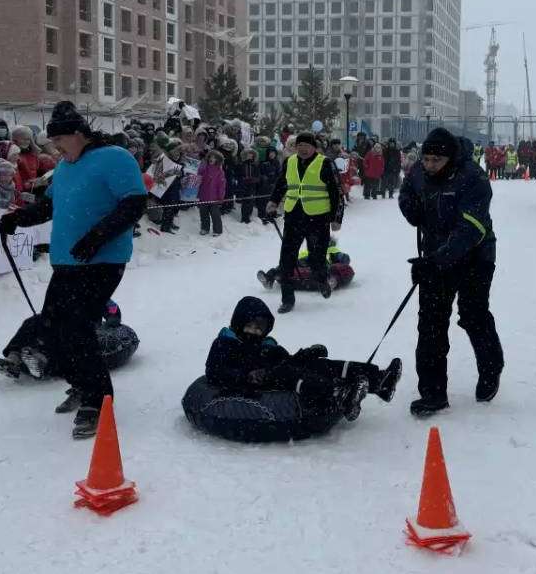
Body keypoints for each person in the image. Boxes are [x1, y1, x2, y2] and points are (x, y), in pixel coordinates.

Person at [0, 101, 147, 439]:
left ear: (78, 134)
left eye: (59, 141)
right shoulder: (65, 168)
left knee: (78, 328)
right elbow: (51, 205)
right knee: (52, 329)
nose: (56, 149)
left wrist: (97, 236)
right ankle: (82, 383)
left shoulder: (114, 157)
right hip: (67, 261)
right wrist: (19, 218)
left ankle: (98, 399)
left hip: (103, 260)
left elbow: (135, 203)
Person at [399, 128, 505, 416]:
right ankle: (433, 393)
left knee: (473, 315)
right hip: (435, 256)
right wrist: (410, 207)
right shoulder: (420, 172)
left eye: (436, 160)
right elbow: (408, 190)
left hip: (475, 257)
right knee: (430, 324)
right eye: (426, 159)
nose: (429, 165)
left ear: (450, 157)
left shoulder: (473, 178)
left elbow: (471, 228)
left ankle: (491, 370)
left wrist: (437, 260)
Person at [205, 296, 403, 421]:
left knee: (318, 365)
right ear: (239, 324)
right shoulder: (226, 344)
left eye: (260, 328)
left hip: (276, 370)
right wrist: (246, 376)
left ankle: (379, 380)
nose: (256, 332)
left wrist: (305, 354)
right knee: (288, 373)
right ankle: (339, 395)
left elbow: (287, 359)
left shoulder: (266, 346)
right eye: (251, 326)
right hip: (259, 384)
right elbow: (214, 372)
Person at [266, 132, 344, 314]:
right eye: (299, 145)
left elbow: (337, 192)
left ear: (313, 147)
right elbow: (281, 184)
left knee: (317, 258)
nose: (302, 149)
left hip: (318, 218)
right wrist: (273, 202)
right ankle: (287, 299)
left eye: (306, 146)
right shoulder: (290, 162)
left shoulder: (325, 163)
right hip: (293, 216)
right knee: (287, 259)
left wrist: (336, 218)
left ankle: (322, 280)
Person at [197, 150, 227, 236]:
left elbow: (221, 185)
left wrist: (221, 197)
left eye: (214, 158)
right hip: (203, 195)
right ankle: (204, 228)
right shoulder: (204, 168)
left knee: (215, 214)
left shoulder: (220, 171)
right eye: (210, 157)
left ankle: (217, 230)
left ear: (218, 160)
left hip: (214, 197)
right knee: (203, 213)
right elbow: (198, 177)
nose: (211, 159)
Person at [234, 147, 261, 223]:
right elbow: (237, 174)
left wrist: (254, 179)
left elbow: (258, 176)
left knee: (251, 202)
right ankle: (244, 217)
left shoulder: (255, 165)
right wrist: (242, 179)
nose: (250, 155)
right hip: (243, 185)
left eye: (251, 154)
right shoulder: (241, 164)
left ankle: (248, 216)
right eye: (248, 154)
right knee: (245, 202)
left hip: (252, 186)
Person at [257, 147, 280, 222]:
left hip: (273, 185)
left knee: (272, 200)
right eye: (270, 153)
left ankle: (271, 214)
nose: (271, 154)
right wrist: (264, 178)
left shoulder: (277, 162)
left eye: (273, 153)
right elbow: (260, 173)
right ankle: (262, 215)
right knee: (263, 200)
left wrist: (276, 180)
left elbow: (279, 173)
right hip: (264, 185)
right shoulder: (263, 162)